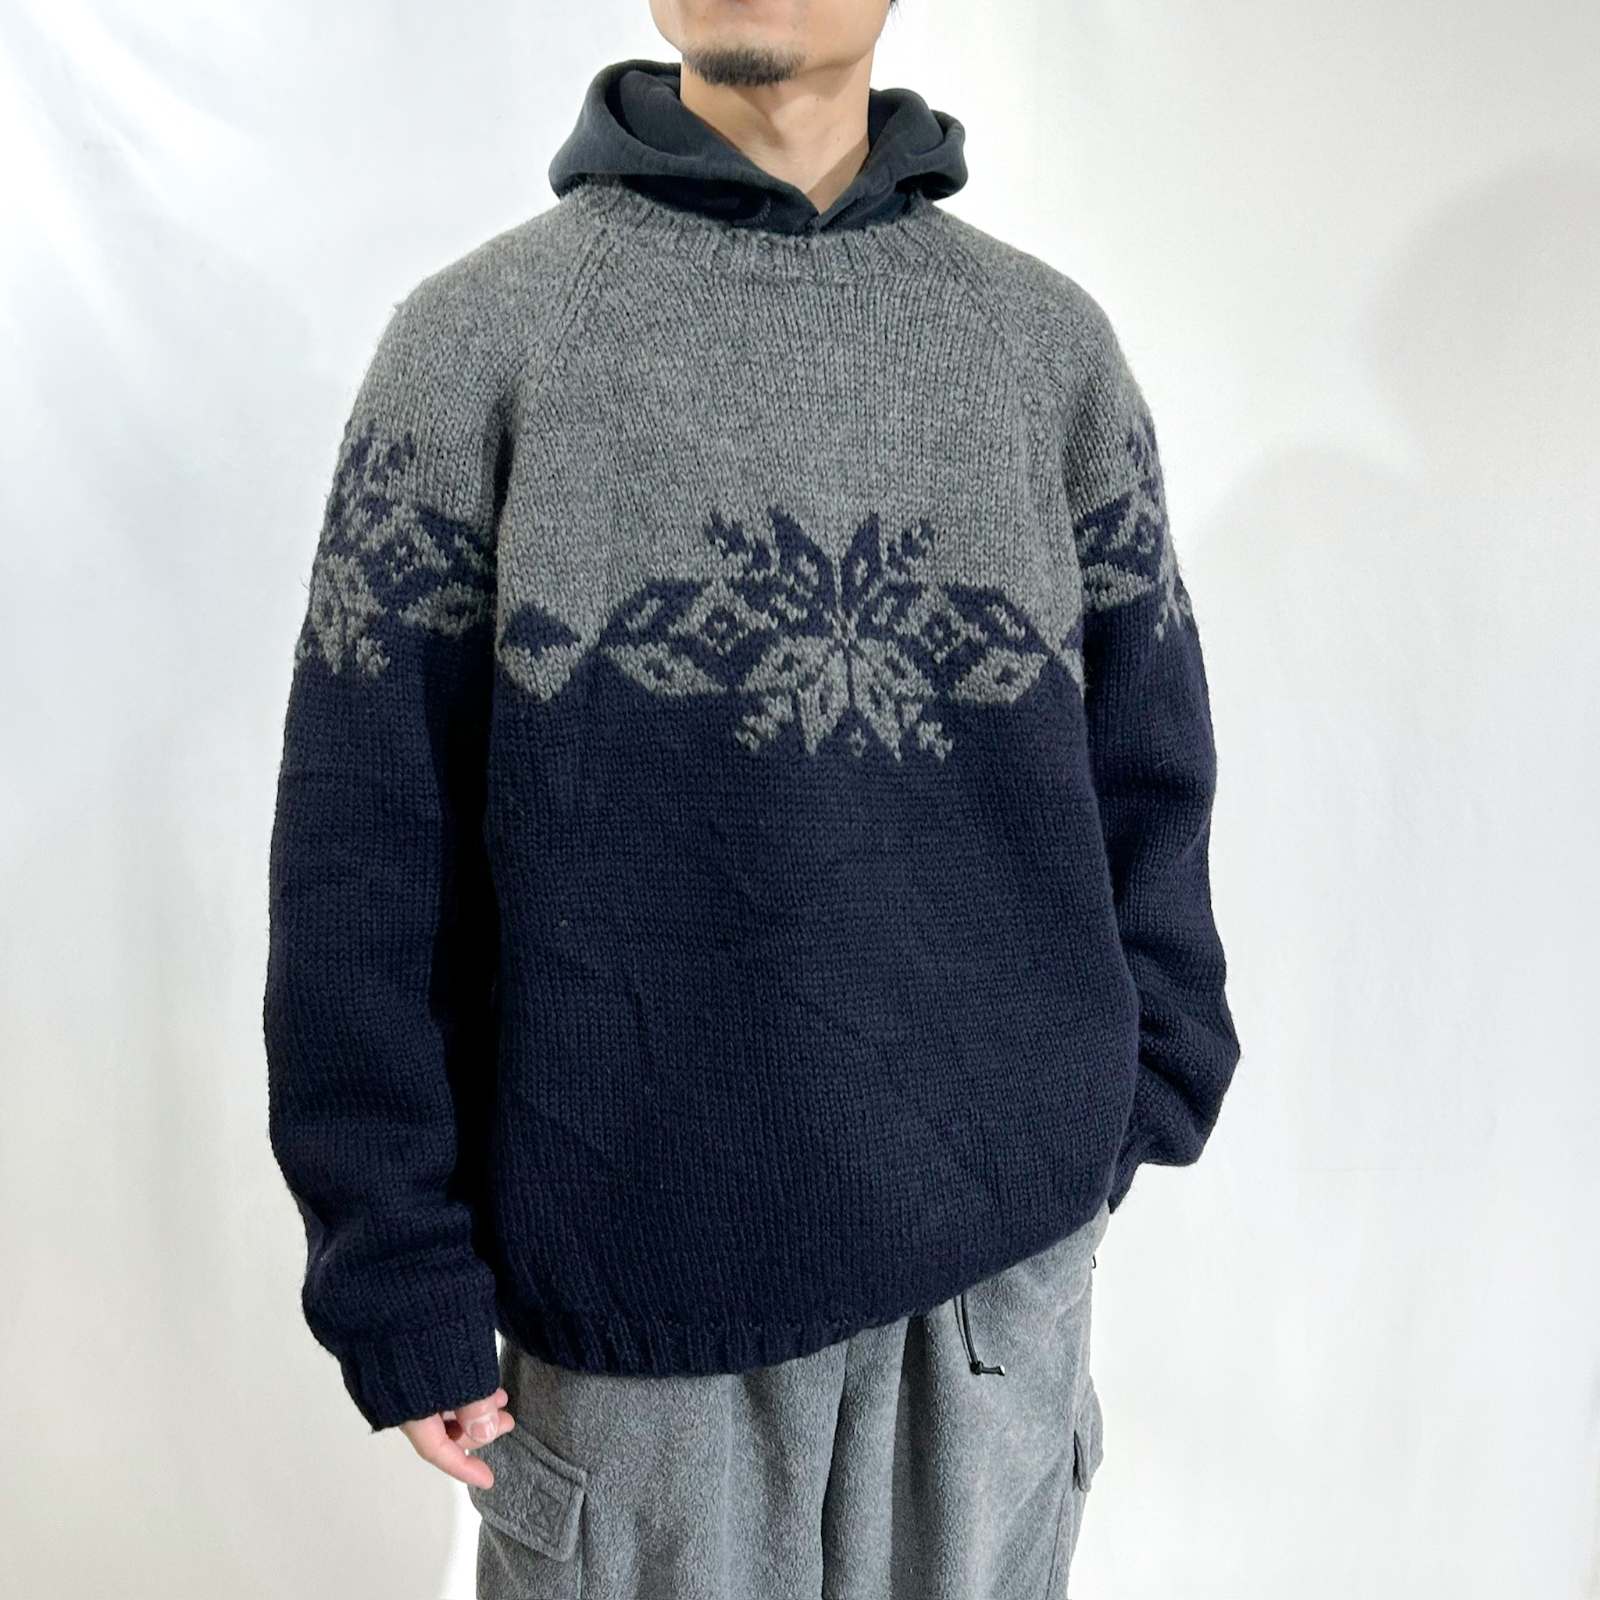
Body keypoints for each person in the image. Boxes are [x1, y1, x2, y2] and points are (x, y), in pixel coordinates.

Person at [262, 3, 1241, 1595]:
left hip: (993, 1301)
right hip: (630, 1314)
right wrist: (397, 1265)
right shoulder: (479, 345)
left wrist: (1125, 1101)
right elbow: (364, 849)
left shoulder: (1046, 350)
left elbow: (1151, 769)